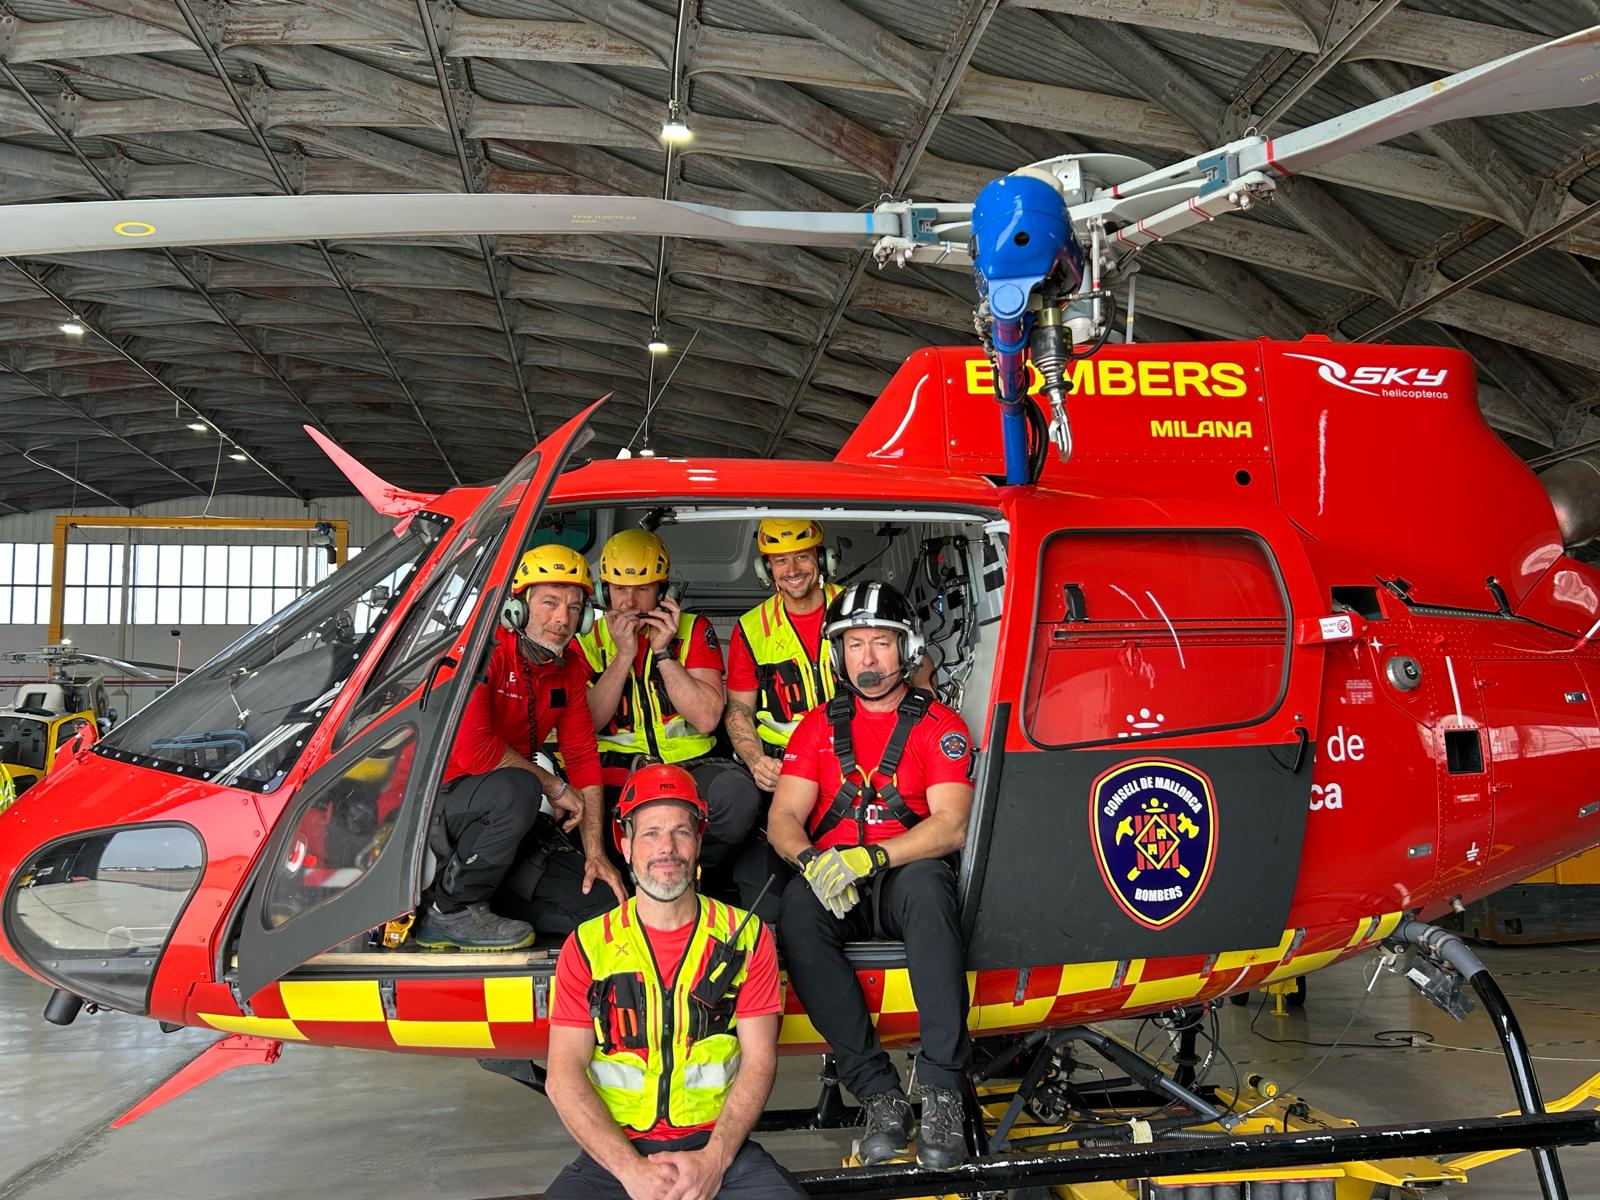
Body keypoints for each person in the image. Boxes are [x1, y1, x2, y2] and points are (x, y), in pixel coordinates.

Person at [767, 581, 975, 1169]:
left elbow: (952, 826)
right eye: (854, 644)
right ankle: (881, 1095)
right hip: (837, 878)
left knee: (930, 892)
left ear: (905, 650)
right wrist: (813, 862)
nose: (868, 658)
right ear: (839, 653)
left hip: (904, 871)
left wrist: (875, 857)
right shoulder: (816, 727)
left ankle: (940, 1090)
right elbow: (782, 816)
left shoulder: (940, 725)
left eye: (880, 643)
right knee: (798, 915)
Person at [544, 764, 806, 1199]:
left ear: (700, 840)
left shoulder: (747, 936)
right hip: (616, 1154)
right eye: (650, 833)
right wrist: (631, 1171)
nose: (667, 848)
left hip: (718, 1149)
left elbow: (760, 1060)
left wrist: (714, 1161)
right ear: (624, 845)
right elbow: (562, 1075)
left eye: (681, 832)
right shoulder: (588, 946)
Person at [415, 544, 628, 951]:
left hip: (499, 815)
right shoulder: (479, 653)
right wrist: (556, 787)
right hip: (436, 807)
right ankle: (449, 910)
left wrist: (595, 853)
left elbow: (584, 759)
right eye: (549, 602)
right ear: (518, 608)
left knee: (603, 908)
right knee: (521, 788)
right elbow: (475, 751)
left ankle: (487, 901)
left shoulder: (567, 673)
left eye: (574, 606)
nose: (562, 618)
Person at [578, 529, 759, 879]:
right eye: (619, 590)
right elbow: (589, 722)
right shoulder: (587, 639)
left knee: (739, 798)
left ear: (664, 592)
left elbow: (707, 718)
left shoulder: (692, 629)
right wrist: (623, 656)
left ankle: (691, 875)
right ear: (603, 591)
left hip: (690, 765)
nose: (629, 603)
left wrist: (664, 652)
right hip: (613, 771)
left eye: (642, 589)